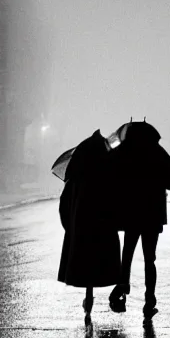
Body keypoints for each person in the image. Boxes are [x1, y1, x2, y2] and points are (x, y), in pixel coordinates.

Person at [108, 121, 170, 322]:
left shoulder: (123, 152)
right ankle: (150, 301)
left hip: (130, 213)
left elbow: (108, 175)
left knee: (128, 253)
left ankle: (122, 290)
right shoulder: (158, 152)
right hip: (152, 213)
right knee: (150, 259)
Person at [58, 129, 121, 318]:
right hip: (103, 229)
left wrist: (70, 227)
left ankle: (88, 299)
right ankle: (90, 297)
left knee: (85, 267)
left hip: (81, 231)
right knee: (98, 265)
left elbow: (64, 206)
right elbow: (116, 203)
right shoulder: (108, 174)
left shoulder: (75, 176)